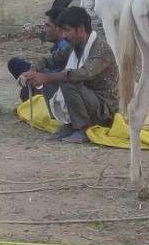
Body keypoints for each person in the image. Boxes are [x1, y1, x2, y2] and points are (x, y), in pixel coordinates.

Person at [20, 7, 117, 144]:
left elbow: (84, 74)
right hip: (86, 100)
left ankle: (84, 128)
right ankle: (70, 124)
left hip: (104, 110)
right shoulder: (73, 46)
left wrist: (45, 78)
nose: (63, 35)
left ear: (81, 29)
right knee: (49, 74)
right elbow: (50, 60)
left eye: (67, 30)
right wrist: (34, 71)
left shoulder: (101, 49)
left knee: (68, 80)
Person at [7, 8, 72, 103]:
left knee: (28, 81)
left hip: (59, 84)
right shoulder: (61, 45)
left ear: (59, 29)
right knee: (15, 64)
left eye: (48, 26)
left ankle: (37, 97)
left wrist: (38, 76)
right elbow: (46, 60)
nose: (44, 30)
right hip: (52, 77)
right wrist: (33, 70)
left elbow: (65, 75)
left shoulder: (65, 46)